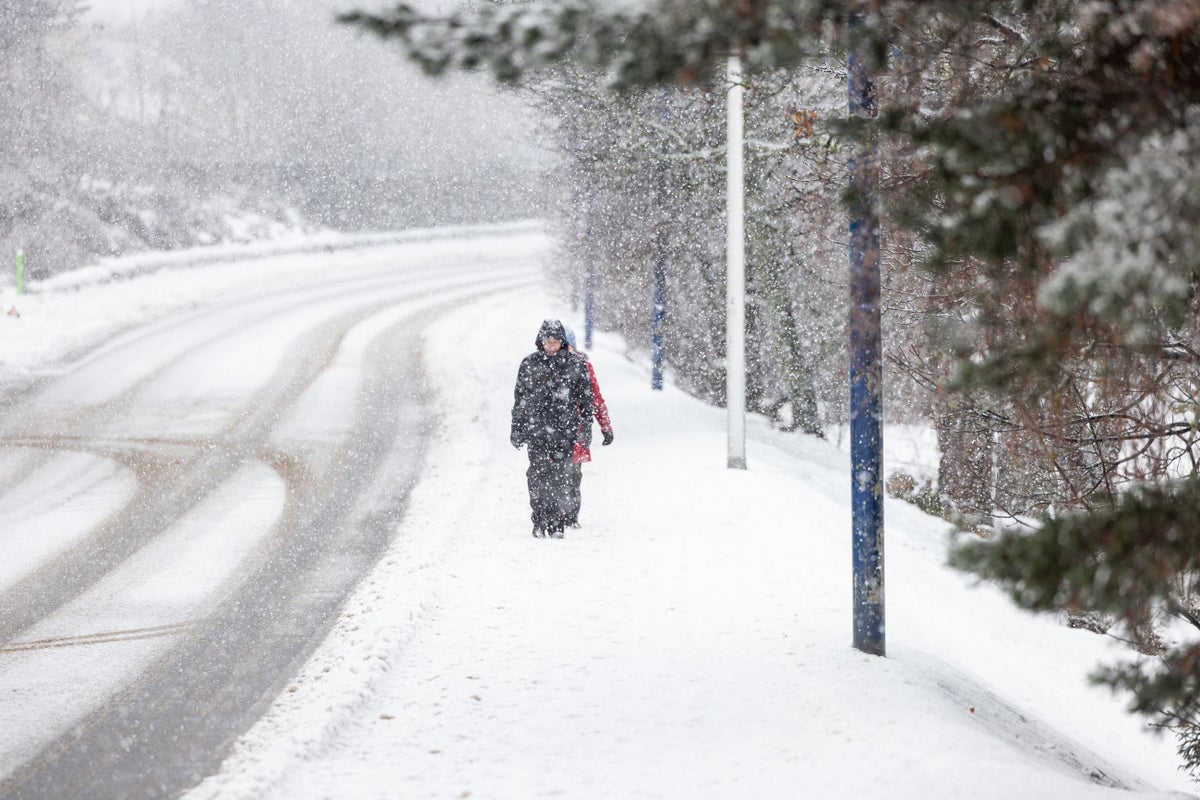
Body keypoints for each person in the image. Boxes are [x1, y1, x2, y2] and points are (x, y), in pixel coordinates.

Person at [510, 319, 593, 538]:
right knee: (537, 476)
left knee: (560, 477)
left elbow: (586, 400)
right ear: (541, 342)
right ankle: (539, 518)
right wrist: (517, 427)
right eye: (547, 342)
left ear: (562, 342)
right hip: (536, 430)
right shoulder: (529, 364)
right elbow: (520, 399)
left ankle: (557, 521)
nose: (551, 346)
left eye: (555, 341)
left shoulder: (576, 365)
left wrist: (586, 427)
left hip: (565, 431)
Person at [563, 326, 613, 527]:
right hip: (553, 430)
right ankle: (556, 513)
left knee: (573, 475)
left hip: (577, 429)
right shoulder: (543, 365)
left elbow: (595, 399)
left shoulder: (582, 366)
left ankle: (570, 515)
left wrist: (605, 426)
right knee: (554, 474)